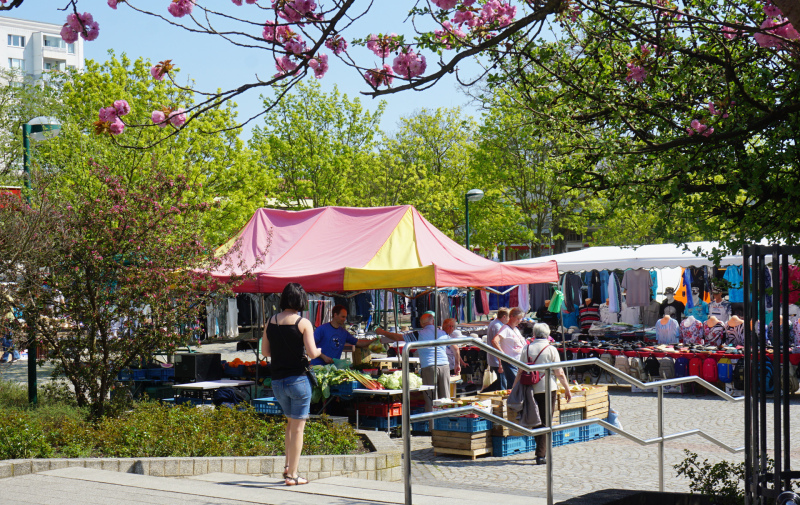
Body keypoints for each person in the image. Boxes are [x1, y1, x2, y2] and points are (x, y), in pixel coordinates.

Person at [261, 282, 321, 486]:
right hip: (298, 381)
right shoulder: (303, 323)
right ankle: (293, 475)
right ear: (301, 300)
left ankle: (287, 466)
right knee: (298, 428)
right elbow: (312, 353)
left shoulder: (271, 321)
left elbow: (266, 352)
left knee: (290, 424)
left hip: (277, 382)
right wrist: (319, 351)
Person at [515, 323, 571, 465]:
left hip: (529, 388)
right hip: (547, 387)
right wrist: (567, 388)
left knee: (535, 419)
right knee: (546, 421)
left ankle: (540, 450)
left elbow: (520, 370)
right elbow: (559, 372)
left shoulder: (526, 348)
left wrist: (514, 387)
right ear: (547, 334)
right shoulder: (551, 349)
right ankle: (540, 455)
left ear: (534, 333)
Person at [376, 311, 451, 413]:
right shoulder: (442, 333)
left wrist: (382, 332)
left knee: (431, 399)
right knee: (446, 398)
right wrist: (458, 364)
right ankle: (446, 422)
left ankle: (432, 425)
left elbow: (398, 338)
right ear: (433, 321)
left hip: (430, 366)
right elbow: (454, 347)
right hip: (445, 365)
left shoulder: (418, 334)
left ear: (421, 324)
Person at [494, 307, 527, 389]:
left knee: (517, 384)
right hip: (511, 361)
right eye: (518, 318)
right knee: (515, 385)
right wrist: (503, 355)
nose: (519, 321)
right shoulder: (505, 328)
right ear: (511, 316)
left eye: (521, 319)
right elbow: (494, 341)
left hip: (518, 361)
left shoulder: (515, 329)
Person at [486, 308, 510, 390]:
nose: (509, 319)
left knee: (500, 382)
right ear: (504, 317)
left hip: (495, 359)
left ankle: (485, 392)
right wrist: (501, 363)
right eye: (508, 317)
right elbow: (497, 345)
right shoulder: (497, 326)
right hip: (497, 360)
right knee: (502, 384)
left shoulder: (494, 323)